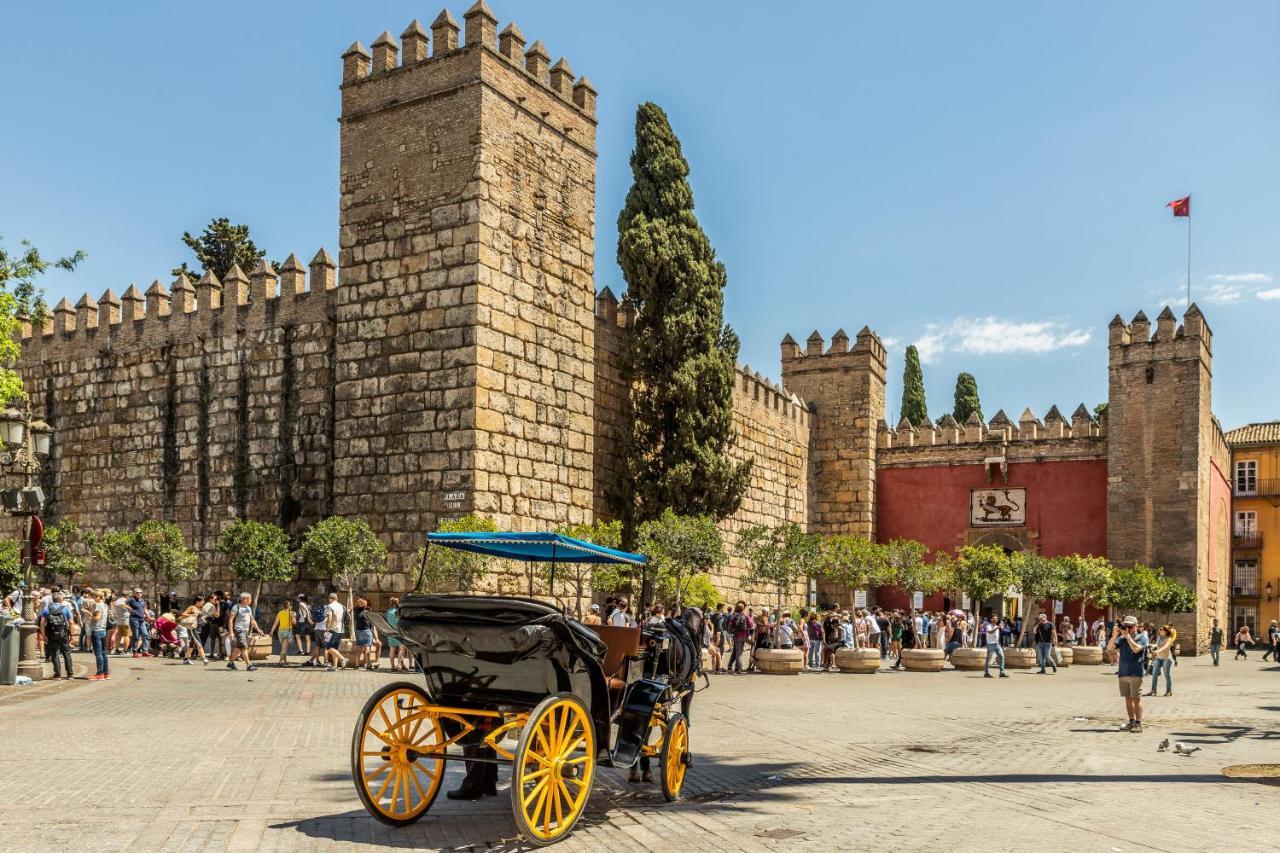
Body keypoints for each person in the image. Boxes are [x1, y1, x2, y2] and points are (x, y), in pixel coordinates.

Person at [1112, 615, 1149, 732]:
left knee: (1136, 698)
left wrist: (1127, 637)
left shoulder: (1142, 637)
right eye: (1126, 626)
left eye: (1130, 626)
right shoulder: (1122, 638)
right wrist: (1114, 635)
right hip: (1123, 672)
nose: (1128, 628)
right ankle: (1131, 721)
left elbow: (1136, 649)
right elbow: (1109, 648)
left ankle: (1138, 724)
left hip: (1135, 672)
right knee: (1128, 698)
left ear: (1136, 626)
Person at [39, 591, 75, 680]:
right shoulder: (65, 608)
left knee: (54, 653)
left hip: (51, 633)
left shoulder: (47, 609)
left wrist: (43, 635)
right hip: (63, 633)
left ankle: (57, 674)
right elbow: (71, 622)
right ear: (62, 599)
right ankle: (70, 674)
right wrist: (72, 634)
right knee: (66, 653)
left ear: (53, 600)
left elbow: (42, 623)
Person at [225, 592, 261, 671]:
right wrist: (231, 632)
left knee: (238, 648)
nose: (251, 600)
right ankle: (249, 665)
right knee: (244, 647)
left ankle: (230, 663)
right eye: (250, 599)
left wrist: (258, 629)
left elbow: (252, 620)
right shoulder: (236, 607)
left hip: (245, 631)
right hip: (239, 630)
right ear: (245, 599)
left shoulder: (248, 608)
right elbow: (230, 620)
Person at [80, 588, 110, 680]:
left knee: (98, 653)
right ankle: (106, 673)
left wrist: (87, 612)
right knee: (103, 653)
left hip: (97, 630)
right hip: (103, 630)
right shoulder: (105, 605)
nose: (93, 598)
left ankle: (100, 674)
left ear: (99, 597)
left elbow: (97, 618)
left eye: (94, 596)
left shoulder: (98, 605)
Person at [322, 592, 348, 671]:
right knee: (335, 648)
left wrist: (327, 630)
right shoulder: (342, 606)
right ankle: (335, 666)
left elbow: (329, 619)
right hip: (341, 630)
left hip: (332, 629)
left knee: (329, 647)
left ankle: (343, 659)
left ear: (330, 598)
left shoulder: (330, 606)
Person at [1146, 625, 1174, 697]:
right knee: (1154, 674)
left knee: (1167, 675)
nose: (1160, 630)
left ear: (1166, 631)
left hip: (1166, 658)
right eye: (1160, 629)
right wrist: (1153, 653)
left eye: (1162, 629)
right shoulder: (1159, 638)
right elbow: (1157, 646)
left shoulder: (1169, 639)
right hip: (1158, 658)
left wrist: (1157, 651)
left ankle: (1169, 690)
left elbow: (1165, 647)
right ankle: (1153, 690)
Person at [352, 597, 378, 669]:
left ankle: (357, 665)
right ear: (365, 604)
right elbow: (371, 624)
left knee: (359, 649)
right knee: (367, 649)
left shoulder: (356, 613)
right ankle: (367, 665)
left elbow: (353, 607)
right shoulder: (367, 613)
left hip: (358, 632)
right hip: (367, 632)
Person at [385, 597, 410, 672]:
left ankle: (393, 666)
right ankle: (399, 665)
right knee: (401, 649)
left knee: (392, 649)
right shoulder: (398, 611)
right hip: (399, 632)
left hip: (390, 632)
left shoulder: (388, 611)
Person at [726, 601, 752, 673]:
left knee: (738, 653)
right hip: (744, 636)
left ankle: (738, 668)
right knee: (739, 652)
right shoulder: (746, 616)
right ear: (743, 609)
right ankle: (738, 667)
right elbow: (751, 625)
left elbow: (729, 627)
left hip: (736, 636)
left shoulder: (734, 616)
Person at [268, 599, 295, 667]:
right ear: (290, 606)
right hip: (287, 632)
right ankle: (280, 662)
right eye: (291, 605)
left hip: (280, 632)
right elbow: (294, 622)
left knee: (284, 646)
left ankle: (285, 661)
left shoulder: (280, 613)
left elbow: (275, 623)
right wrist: (293, 616)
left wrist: (272, 631)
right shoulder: (292, 613)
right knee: (284, 648)